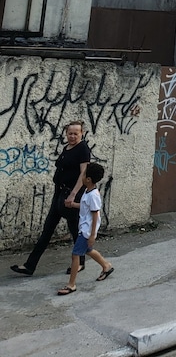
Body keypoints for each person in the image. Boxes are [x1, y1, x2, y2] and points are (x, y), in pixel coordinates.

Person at [11, 119, 91, 277]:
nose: (72, 136)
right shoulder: (67, 148)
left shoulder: (83, 149)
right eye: (70, 133)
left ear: (81, 133)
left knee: (75, 230)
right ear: (66, 133)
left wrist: (74, 194)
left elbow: (83, 173)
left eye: (76, 133)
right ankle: (29, 266)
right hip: (59, 194)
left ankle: (80, 263)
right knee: (47, 230)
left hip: (72, 194)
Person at [57, 162, 114, 295]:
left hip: (87, 231)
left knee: (75, 255)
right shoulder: (87, 192)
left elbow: (95, 215)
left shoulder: (93, 195)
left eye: (83, 175)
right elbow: (85, 207)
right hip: (84, 228)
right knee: (88, 250)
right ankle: (106, 266)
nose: (81, 177)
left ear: (88, 179)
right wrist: (73, 205)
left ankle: (71, 284)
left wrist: (92, 235)